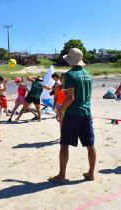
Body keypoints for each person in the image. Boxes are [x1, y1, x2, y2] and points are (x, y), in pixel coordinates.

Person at [49, 48, 96, 184]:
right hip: (86, 113)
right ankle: (91, 173)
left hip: (73, 114)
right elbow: (81, 93)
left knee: (64, 144)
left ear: (70, 61)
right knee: (90, 144)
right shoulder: (87, 74)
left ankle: (61, 176)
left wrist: (60, 110)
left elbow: (70, 98)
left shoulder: (70, 75)